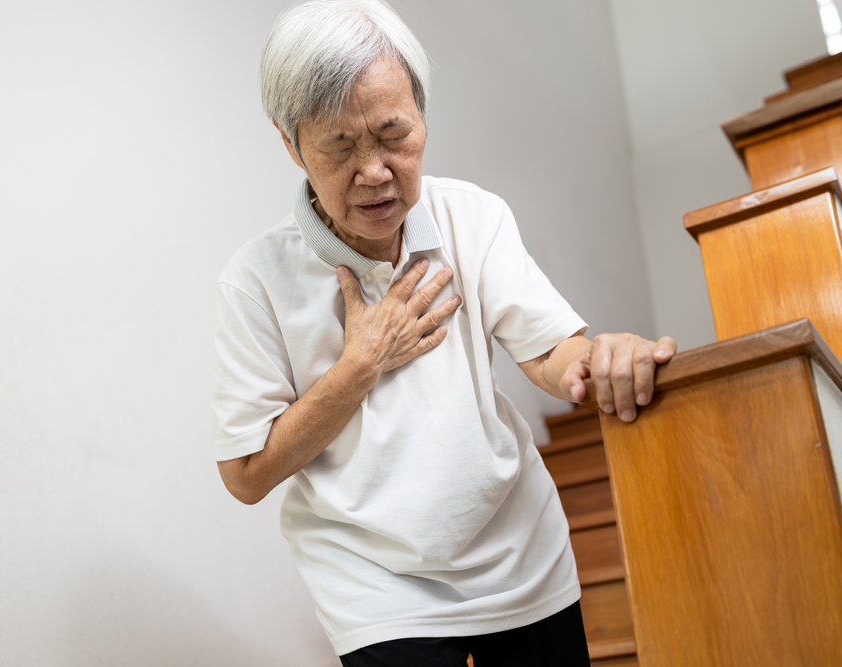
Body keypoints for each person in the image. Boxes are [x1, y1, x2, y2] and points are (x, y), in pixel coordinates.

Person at [212, 1, 676, 665]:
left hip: (519, 555)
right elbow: (247, 473)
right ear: (291, 144)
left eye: (393, 135)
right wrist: (359, 365)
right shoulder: (255, 280)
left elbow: (550, 351)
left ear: (422, 116)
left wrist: (601, 356)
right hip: (373, 586)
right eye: (340, 147)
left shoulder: (473, 218)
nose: (374, 171)